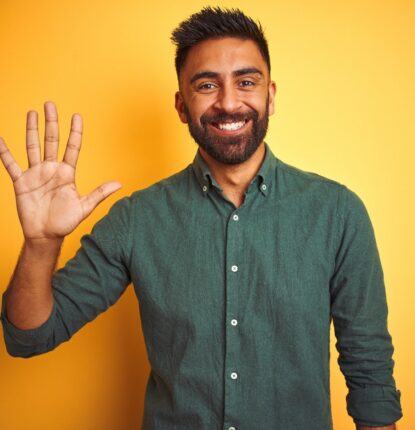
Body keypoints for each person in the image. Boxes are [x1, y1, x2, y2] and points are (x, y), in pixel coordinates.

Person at [0, 7, 402, 430]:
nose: (229, 102)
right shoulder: (137, 219)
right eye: (207, 85)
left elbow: (370, 376)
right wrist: (41, 244)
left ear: (271, 95)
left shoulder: (338, 214)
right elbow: (28, 336)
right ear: (181, 105)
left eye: (246, 82)